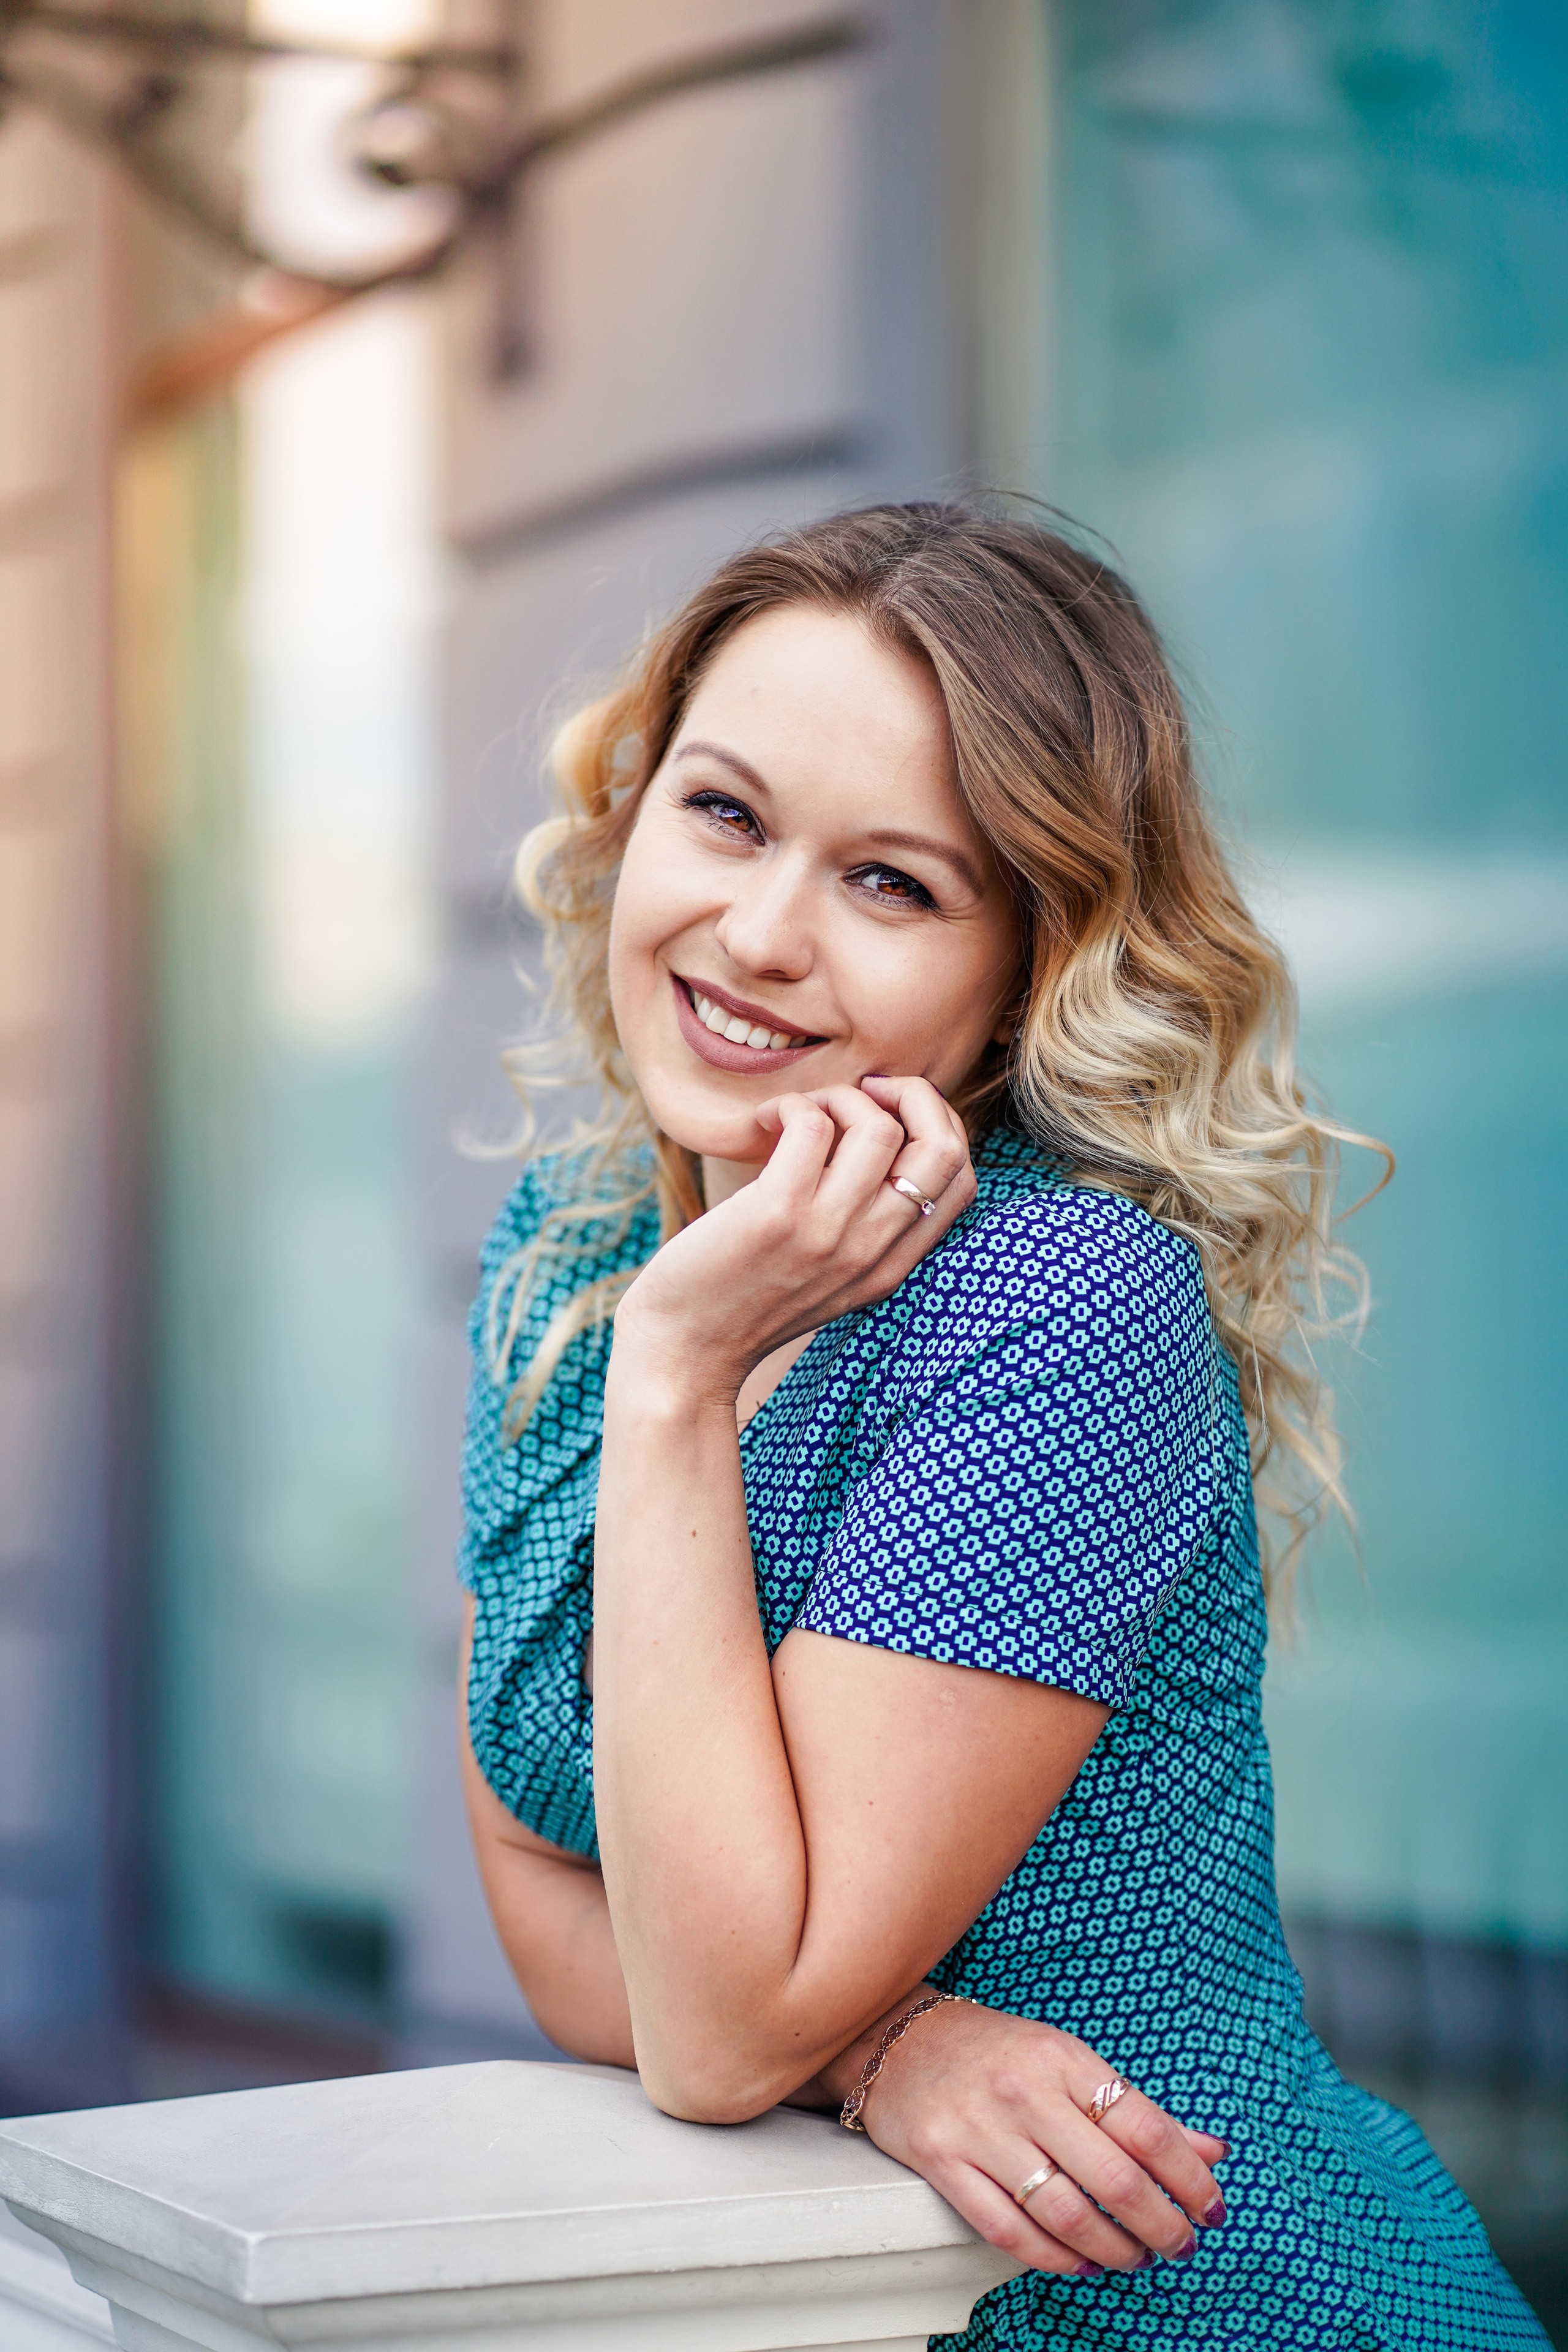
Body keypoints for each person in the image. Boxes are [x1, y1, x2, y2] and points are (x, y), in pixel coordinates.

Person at [456, 504, 1545, 2350]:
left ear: (1021, 972)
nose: (762, 932)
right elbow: (557, 1909)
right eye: (724, 811)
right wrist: (880, 2047)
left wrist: (674, 1385)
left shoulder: (1056, 1304)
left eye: (894, 882)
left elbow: (717, 2032)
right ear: (634, 808)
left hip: (1194, 2297)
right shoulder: (573, 1266)